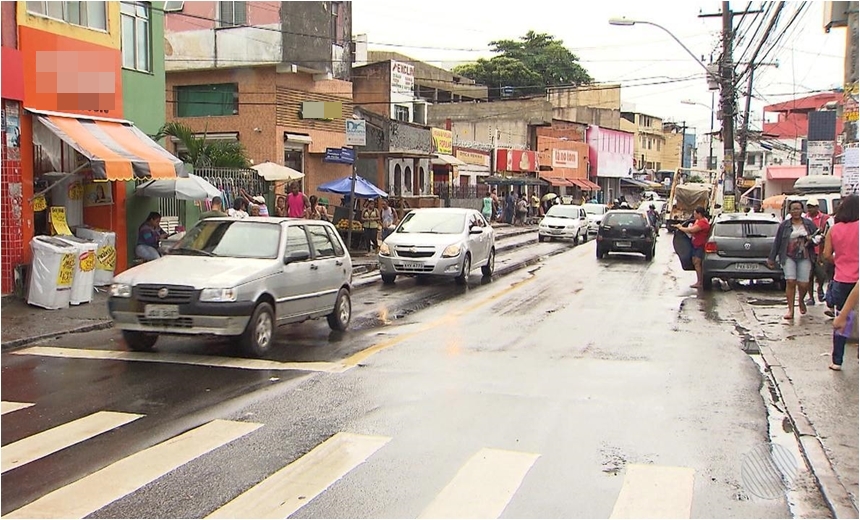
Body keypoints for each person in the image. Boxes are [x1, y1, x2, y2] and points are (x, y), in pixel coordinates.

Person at [821, 195, 859, 370]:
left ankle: (837, 360)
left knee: (843, 318)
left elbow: (826, 255)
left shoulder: (834, 230)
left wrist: (841, 260)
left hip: (841, 279)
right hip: (857, 279)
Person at [767, 200, 819, 320]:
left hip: (804, 256)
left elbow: (818, 237)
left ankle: (801, 300)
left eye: (798, 209)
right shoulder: (784, 225)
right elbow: (778, 242)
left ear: (802, 210)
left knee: (803, 283)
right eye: (793, 209)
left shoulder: (809, 224)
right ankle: (790, 309)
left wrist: (811, 239)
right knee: (790, 281)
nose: (796, 211)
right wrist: (772, 258)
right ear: (789, 211)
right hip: (788, 256)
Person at [675, 206, 711, 289]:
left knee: (697, 263)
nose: (694, 215)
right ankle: (699, 281)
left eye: (695, 214)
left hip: (700, 245)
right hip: (696, 245)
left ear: (699, 214)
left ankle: (700, 282)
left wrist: (681, 228)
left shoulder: (703, 223)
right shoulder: (699, 221)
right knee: (695, 262)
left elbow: (692, 230)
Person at [802, 198, 829, 306]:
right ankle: (810, 297)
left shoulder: (825, 219)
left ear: (817, 207)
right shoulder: (804, 218)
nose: (810, 209)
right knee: (809, 275)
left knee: (821, 274)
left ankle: (820, 289)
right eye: (809, 207)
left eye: (812, 206)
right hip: (808, 252)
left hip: (821, 251)